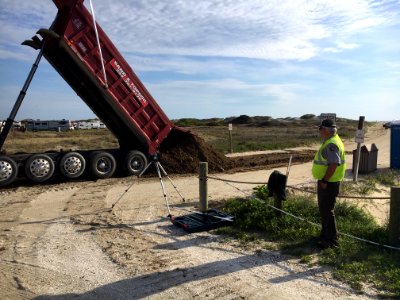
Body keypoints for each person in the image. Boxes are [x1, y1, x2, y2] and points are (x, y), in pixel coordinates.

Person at [312, 119, 346, 249]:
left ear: (326, 130)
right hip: (328, 181)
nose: (319, 131)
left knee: (327, 211)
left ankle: (331, 241)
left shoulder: (331, 144)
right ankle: (325, 236)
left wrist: (325, 180)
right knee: (325, 210)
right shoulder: (333, 140)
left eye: (320, 129)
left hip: (328, 183)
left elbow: (333, 164)